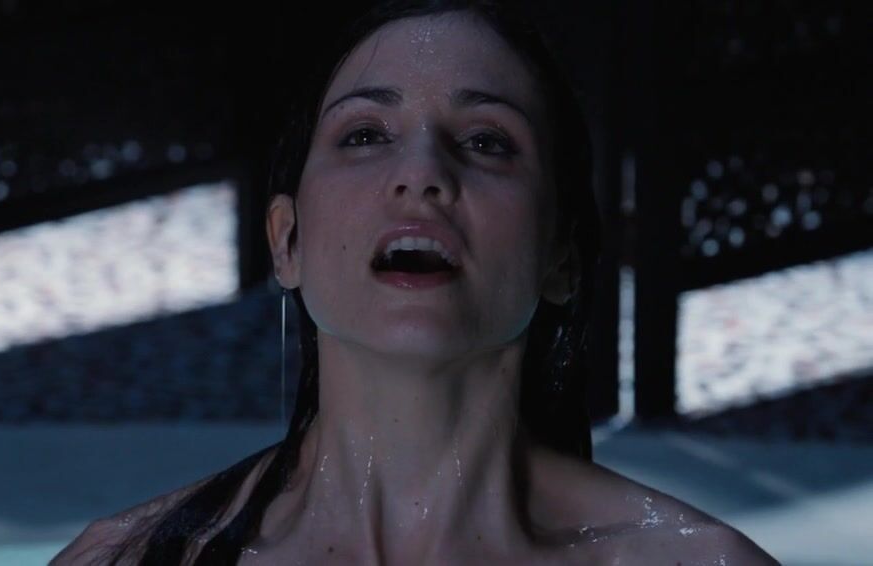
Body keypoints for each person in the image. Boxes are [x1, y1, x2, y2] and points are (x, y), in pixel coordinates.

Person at [54, 1, 777, 563]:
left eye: (486, 141)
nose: (422, 173)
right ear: (287, 241)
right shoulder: (129, 560)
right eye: (366, 134)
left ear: (561, 254)